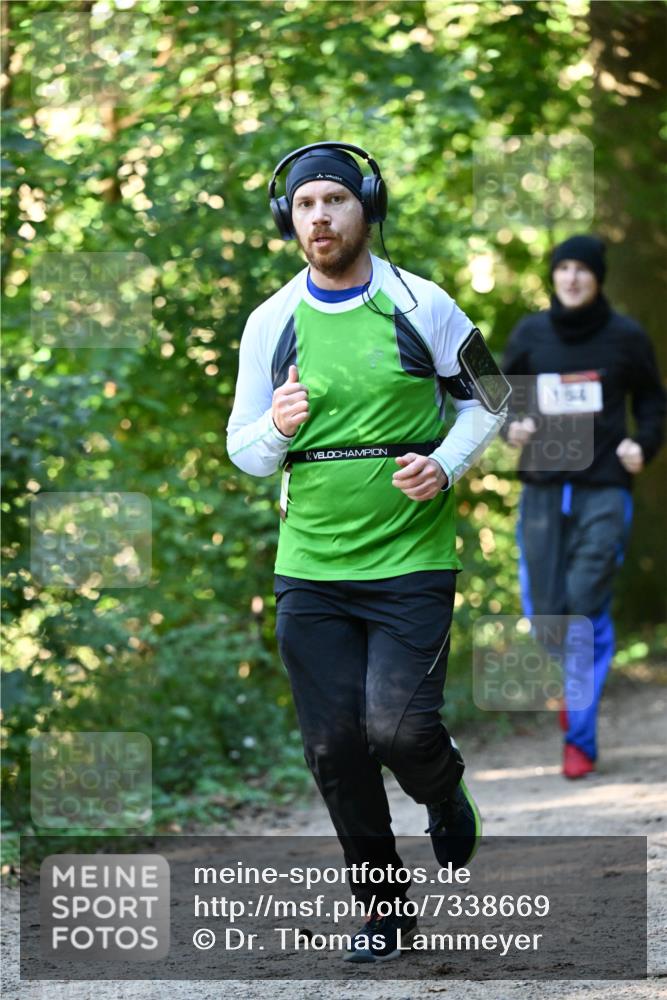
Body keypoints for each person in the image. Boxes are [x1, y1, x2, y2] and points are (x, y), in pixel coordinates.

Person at [227, 142, 509, 962]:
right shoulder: (270, 321)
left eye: (335, 201)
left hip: (410, 562)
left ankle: (444, 790)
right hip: (309, 568)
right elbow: (245, 451)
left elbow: (491, 398)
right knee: (333, 749)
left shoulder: (423, 303)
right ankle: (385, 912)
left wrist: (445, 461)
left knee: (396, 729)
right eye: (305, 203)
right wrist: (276, 428)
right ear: (289, 218)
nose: (319, 216)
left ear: (366, 208)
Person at [502, 234, 665, 779]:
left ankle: (579, 734)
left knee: (585, 606)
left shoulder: (625, 337)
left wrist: (642, 444)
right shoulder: (531, 334)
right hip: (544, 487)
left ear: (598, 277)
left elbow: (652, 400)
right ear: (553, 276)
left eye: (582, 269)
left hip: (602, 486)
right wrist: (512, 424)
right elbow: (501, 398)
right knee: (546, 611)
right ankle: (575, 687)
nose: (571, 278)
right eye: (562, 268)